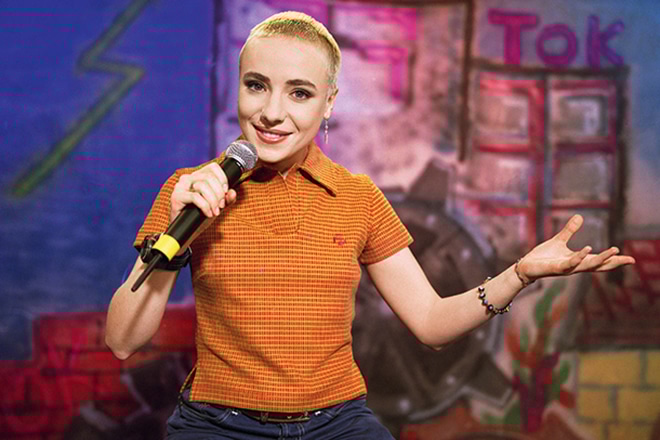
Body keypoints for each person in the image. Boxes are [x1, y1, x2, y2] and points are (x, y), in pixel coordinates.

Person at [105, 11, 635, 440]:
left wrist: (519, 274)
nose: (271, 112)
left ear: (328, 102)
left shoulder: (357, 198)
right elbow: (124, 340)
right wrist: (176, 234)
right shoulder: (190, 189)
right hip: (219, 426)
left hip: (336, 425)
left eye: (299, 92)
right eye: (256, 85)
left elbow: (430, 322)